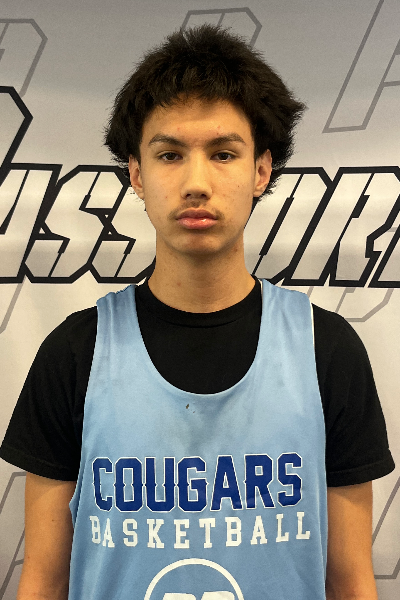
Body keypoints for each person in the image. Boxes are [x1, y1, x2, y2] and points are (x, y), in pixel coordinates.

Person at [0, 24, 395, 600]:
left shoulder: (325, 349)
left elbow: (351, 580)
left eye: (223, 154)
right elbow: (44, 577)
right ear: (137, 174)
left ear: (261, 170)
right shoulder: (75, 353)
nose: (196, 183)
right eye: (169, 155)